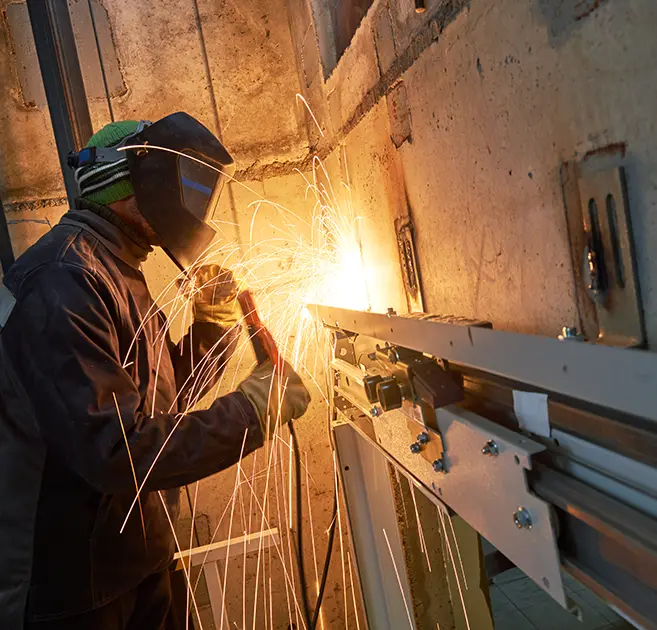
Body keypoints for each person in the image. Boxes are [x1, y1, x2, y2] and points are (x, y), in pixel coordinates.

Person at [0, 113, 310, 629]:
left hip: (141, 557)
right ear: (134, 187)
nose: (195, 206)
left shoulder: (117, 270)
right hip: (79, 592)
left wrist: (211, 328)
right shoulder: (63, 283)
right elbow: (117, 451)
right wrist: (255, 410)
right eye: (184, 186)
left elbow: (161, 402)